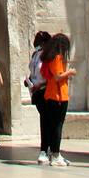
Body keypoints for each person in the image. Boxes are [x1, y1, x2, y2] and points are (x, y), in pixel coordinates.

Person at [39, 32, 76, 166]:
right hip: (59, 96)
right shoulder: (57, 58)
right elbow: (58, 77)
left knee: (52, 125)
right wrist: (70, 72)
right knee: (57, 126)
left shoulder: (50, 58)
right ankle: (55, 154)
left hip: (51, 95)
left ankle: (51, 152)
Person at [24, 30, 51, 164]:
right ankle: (48, 148)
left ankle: (45, 149)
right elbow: (33, 71)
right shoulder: (35, 55)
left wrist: (39, 85)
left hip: (44, 91)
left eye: (40, 41)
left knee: (46, 121)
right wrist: (28, 80)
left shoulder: (47, 56)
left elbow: (50, 76)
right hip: (36, 92)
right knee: (45, 120)